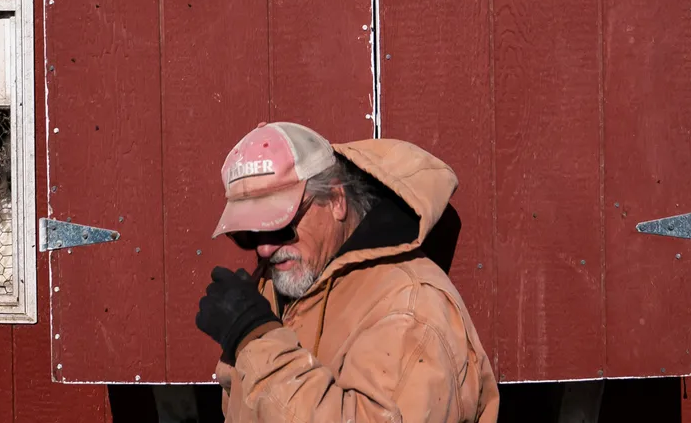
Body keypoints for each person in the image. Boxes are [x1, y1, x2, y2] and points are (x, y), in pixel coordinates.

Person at [195, 121, 499, 423]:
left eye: (280, 225)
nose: (264, 249)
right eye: (250, 234)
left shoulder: (409, 308)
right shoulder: (285, 284)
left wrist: (255, 338)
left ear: (336, 201)